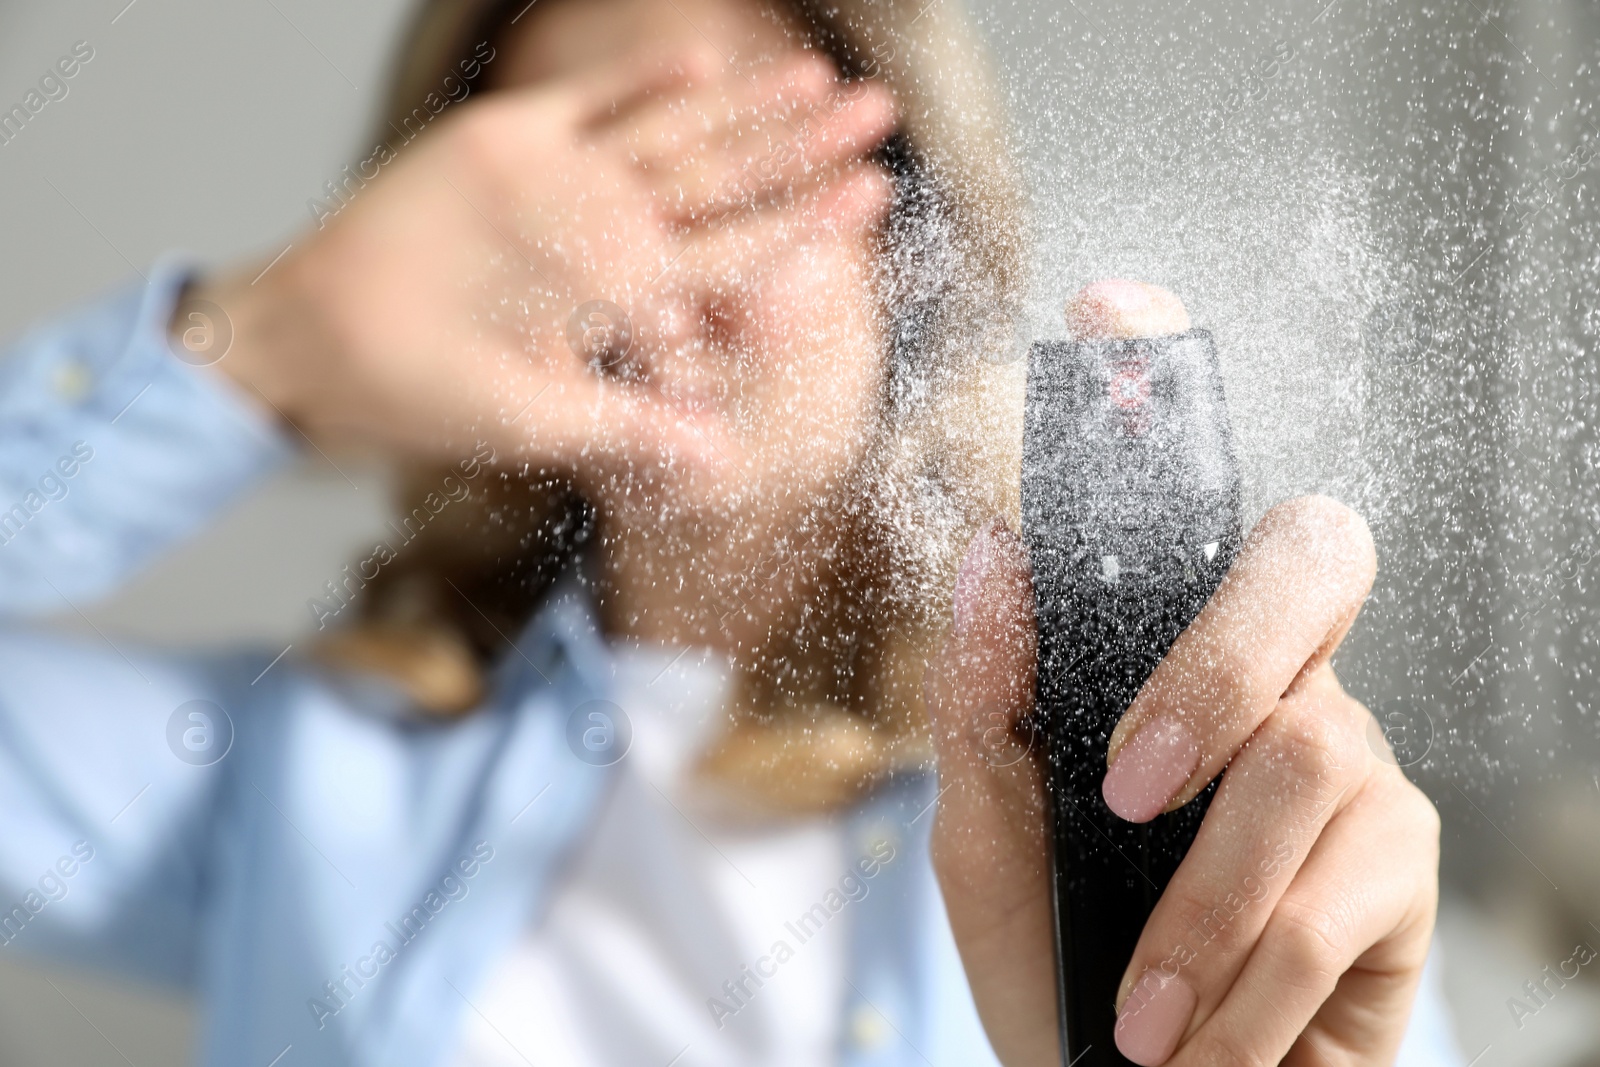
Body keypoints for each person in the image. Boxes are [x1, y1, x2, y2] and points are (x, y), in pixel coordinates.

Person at [0, 0, 1458, 1064]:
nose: (644, 288)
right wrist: (266, 341)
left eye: (737, 186)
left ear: (915, 249)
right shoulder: (298, 765)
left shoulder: (1130, 786)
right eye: (565, 213)